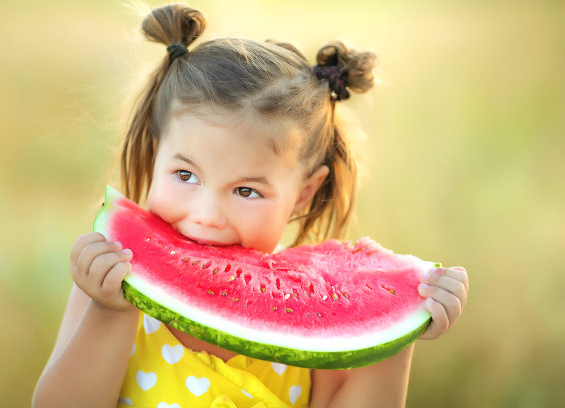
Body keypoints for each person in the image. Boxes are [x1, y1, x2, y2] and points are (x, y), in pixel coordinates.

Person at [33, 3, 469, 407]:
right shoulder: (112, 281)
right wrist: (108, 313)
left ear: (304, 192)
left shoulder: (312, 320)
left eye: (246, 191)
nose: (206, 214)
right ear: (154, 154)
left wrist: (394, 334)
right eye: (185, 175)